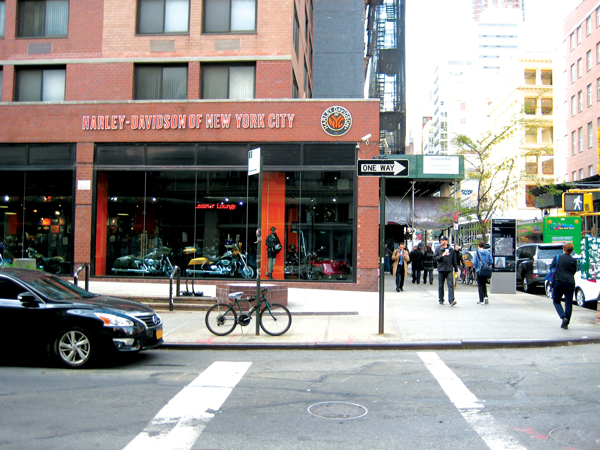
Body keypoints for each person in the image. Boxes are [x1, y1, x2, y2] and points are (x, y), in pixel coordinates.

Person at [549, 243, 577, 329]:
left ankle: (563, 317)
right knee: (569, 303)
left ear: (564, 249)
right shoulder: (573, 260)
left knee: (556, 301)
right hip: (570, 283)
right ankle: (566, 322)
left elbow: (551, 268)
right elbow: (574, 271)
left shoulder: (558, 258)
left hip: (559, 282)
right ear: (571, 251)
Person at [434, 236, 458, 306]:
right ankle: (441, 299)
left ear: (446, 241)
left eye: (442, 240)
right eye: (440, 240)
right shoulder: (438, 249)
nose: (441, 242)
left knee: (450, 285)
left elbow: (454, 260)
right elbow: (435, 258)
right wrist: (442, 255)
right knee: (441, 285)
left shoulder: (451, 249)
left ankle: (451, 300)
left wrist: (456, 269)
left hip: (449, 269)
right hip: (441, 269)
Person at [472, 240, 493, 305]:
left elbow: (474, 262)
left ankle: (481, 299)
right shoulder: (488, 253)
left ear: (478, 246)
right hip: (485, 270)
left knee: (480, 285)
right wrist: (486, 264)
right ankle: (486, 296)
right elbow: (491, 261)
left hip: (479, 270)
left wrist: (476, 267)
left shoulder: (476, 253)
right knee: (484, 284)